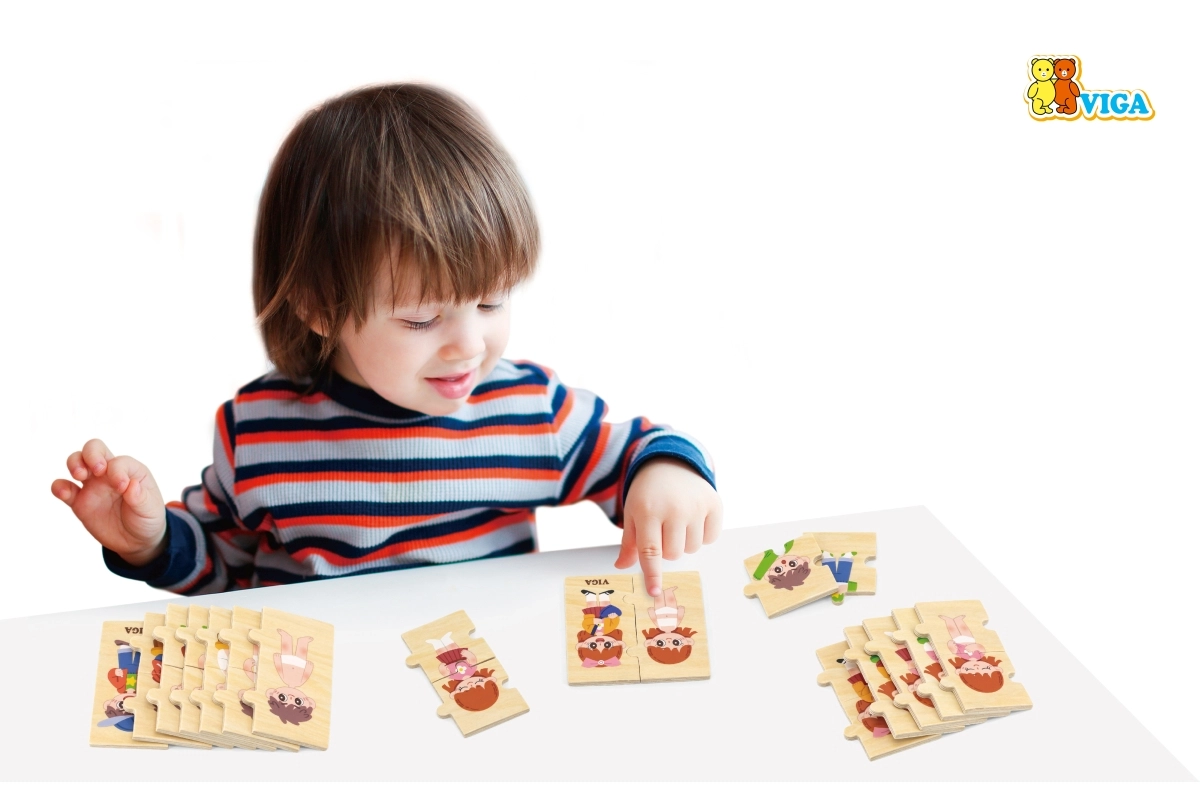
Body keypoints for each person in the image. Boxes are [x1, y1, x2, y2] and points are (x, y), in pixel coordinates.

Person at [50, 84, 721, 598]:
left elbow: (635, 451)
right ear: (319, 306)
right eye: (422, 319)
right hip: (318, 701)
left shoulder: (528, 411)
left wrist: (665, 476)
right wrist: (148, 543)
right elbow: (220, 568)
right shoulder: (257, 431)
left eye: (491, 301)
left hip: (478, 694)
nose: (469, 345)